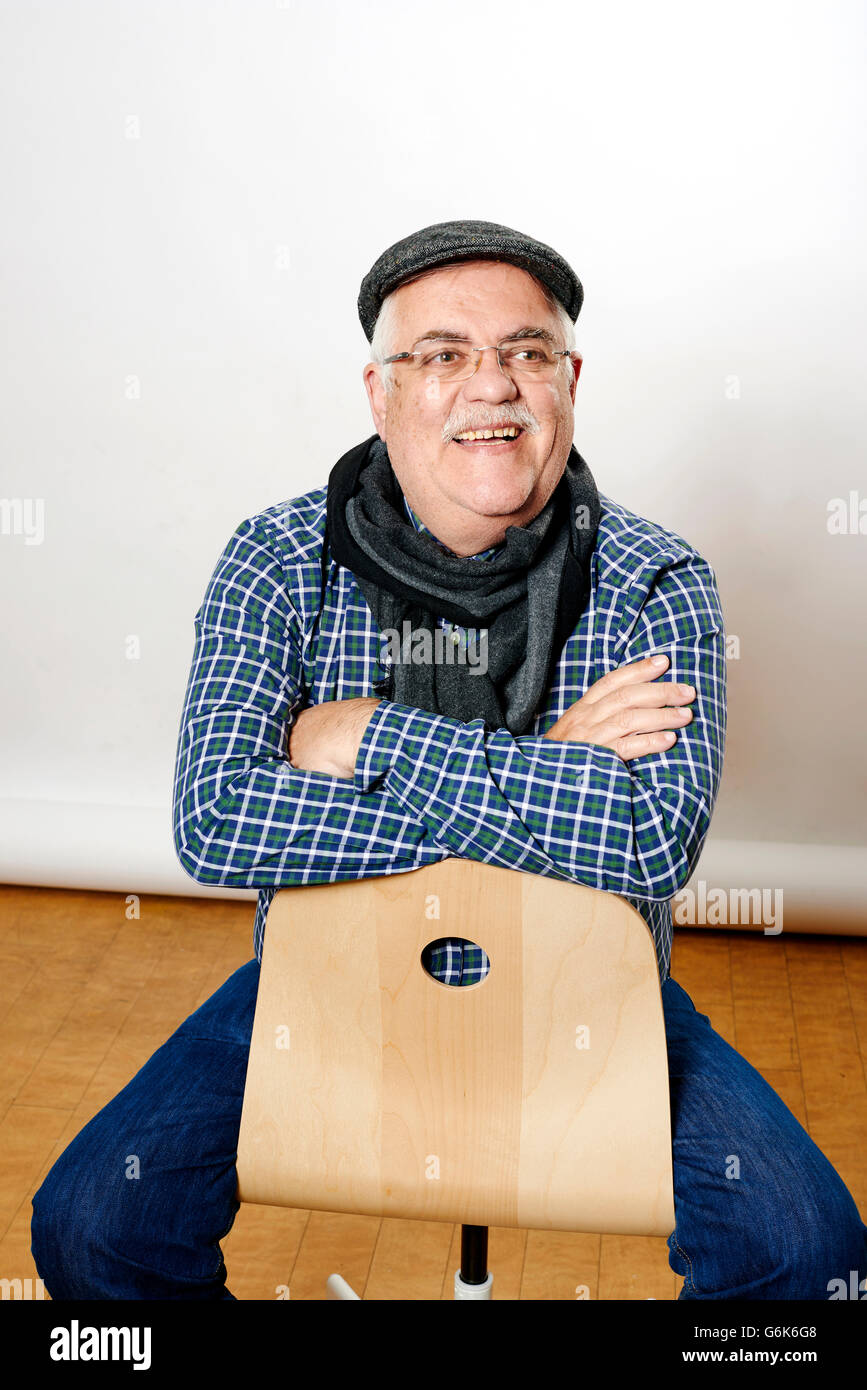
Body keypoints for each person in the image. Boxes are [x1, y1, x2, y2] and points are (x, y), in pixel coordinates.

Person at [31, 220, 866, 1300]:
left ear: (569, 380)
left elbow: (650, 841)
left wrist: (368, 734)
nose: (492, 387)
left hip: (592, 992)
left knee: (813, 1261)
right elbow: (219, 815)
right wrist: (550, 761)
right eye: (442, 355)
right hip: (325, 985)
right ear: (379, 394)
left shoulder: (657, 576)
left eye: (525, 353)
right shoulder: (277, 559)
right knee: (95, 1225)